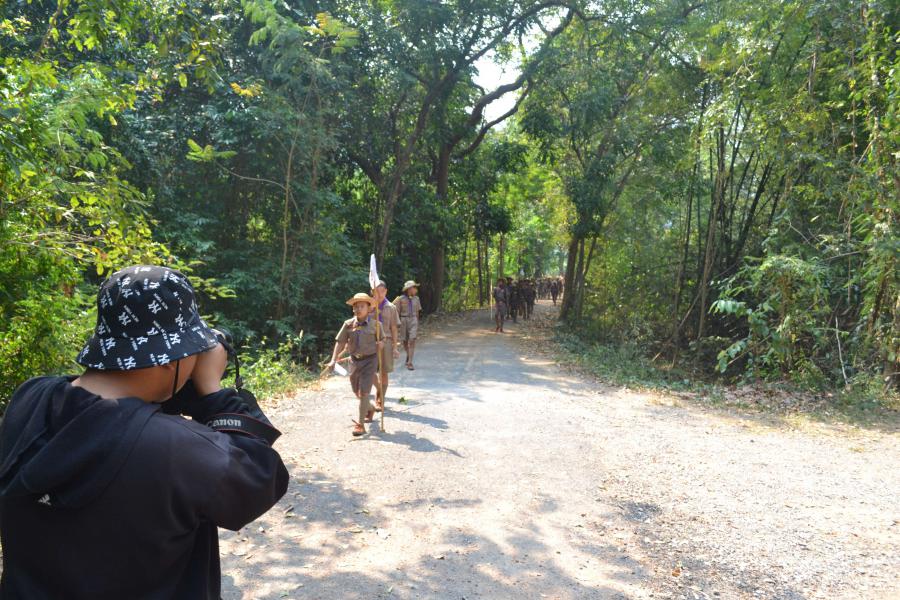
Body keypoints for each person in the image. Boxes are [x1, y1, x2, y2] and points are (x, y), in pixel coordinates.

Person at [0, 265, 289, 600]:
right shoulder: (174, 449)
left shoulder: (30, 399)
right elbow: (260, 476)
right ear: (168, 359)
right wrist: (212, 391)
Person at [327, 293, 384, 437]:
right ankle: (370, 408)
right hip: (354, 361)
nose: (358, 309)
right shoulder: (348, 324)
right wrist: (333, 359)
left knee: (364, 392)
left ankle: (360, 425)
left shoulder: (376, 325)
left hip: (370, 361)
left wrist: (381, 344)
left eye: (362, 306)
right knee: (357, 392)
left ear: (369, 308)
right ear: (353, 309)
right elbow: (340, 342)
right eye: (356, 307)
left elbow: (382, 340)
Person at [371, 279, 400, 410]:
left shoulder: (391, 307)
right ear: (372, 292)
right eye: (376, 291)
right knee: (370, 371)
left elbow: (394, 328)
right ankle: (375, 393)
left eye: (382, 291)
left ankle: (380, 400)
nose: (379, 294)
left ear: (386, 291)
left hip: (386, 342)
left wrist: (395, 347)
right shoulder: (368, 306)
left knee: (383, 373)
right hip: (370, 342)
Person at [393, 281, 422, 370]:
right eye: (414, 288)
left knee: (412, 340)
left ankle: (410, 362)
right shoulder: (400, 299)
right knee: (404, 340)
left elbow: (417, 312)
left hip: (413, 319)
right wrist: (397, 323)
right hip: (404, 320)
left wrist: (416, 322)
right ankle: (408, 355)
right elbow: (397, 312)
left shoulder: (416, 299)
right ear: (409, 289)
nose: (416, 290)